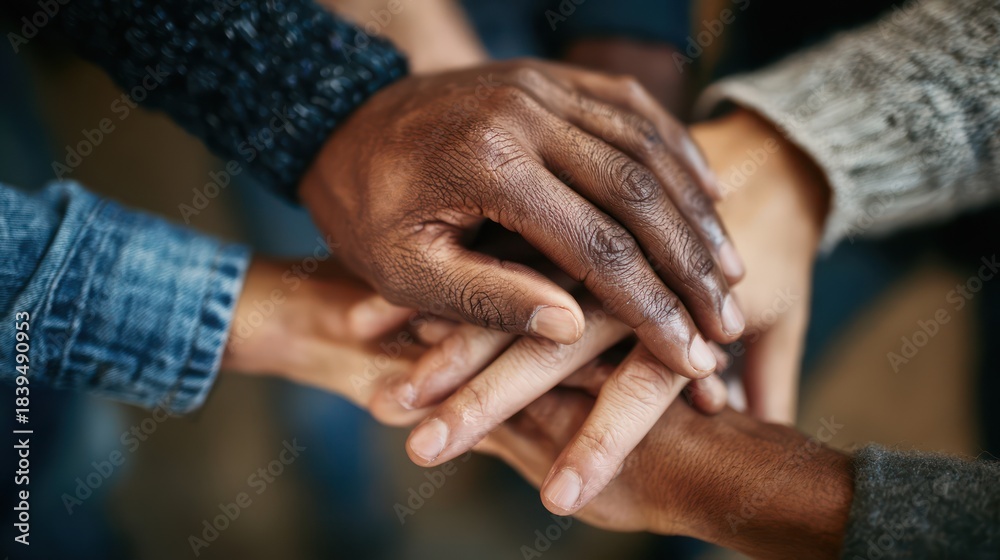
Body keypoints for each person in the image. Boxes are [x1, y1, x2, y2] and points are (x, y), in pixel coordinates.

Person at [382, 0, 1000, 556]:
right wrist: (796, 159)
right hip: (793, 92)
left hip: (803, 159)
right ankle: (533, 491)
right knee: (671, 379)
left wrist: (751, 497)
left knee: (683, 404)